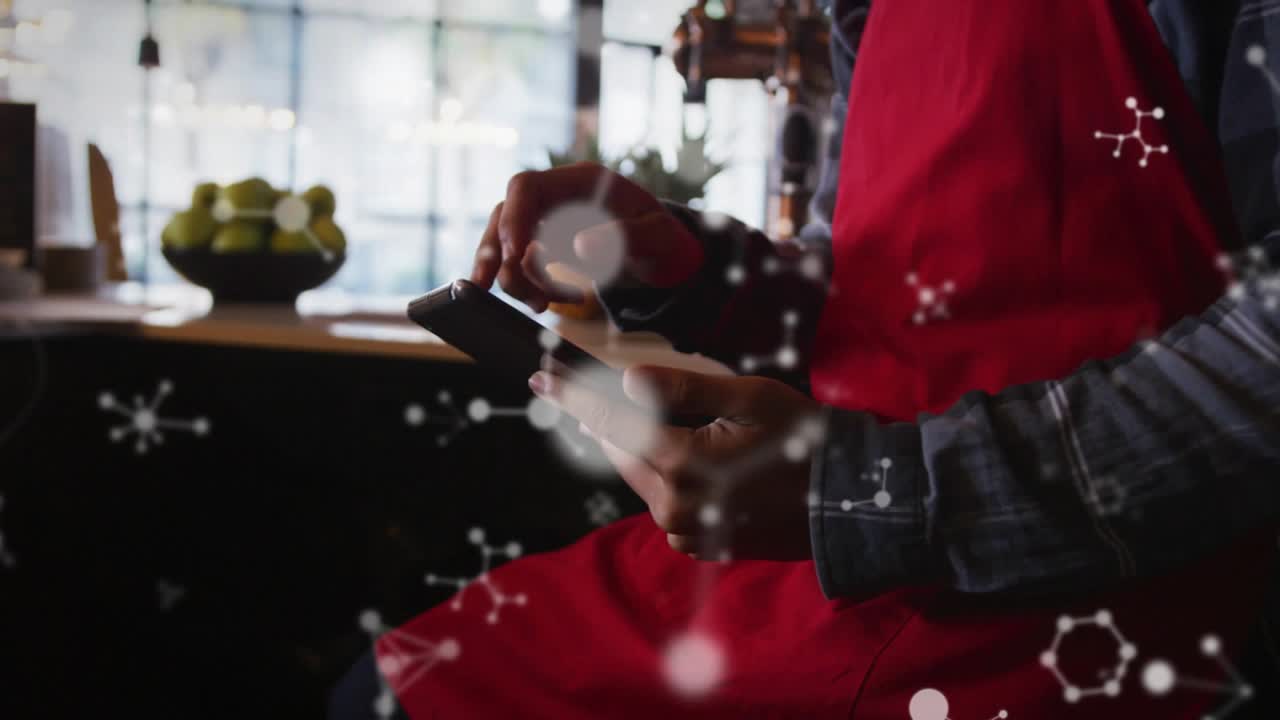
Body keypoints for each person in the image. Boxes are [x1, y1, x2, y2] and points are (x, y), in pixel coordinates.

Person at [330, 1, 1280, 718]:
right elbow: (866, 280)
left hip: (1079, 606)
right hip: (826, 571)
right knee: (392, 686)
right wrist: (685, 265)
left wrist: (872, 495)